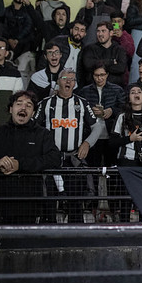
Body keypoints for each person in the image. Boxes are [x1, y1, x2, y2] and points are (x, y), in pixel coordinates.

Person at [0, 90, 62, 224]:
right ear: (11, 109)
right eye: (19, 104)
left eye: (29, 106)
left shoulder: (42, 134)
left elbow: (54, 159)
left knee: (23, 244)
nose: (23, 108)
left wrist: (20, 165)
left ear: (33, 113)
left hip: (29, 205)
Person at [35, 68, 103, 222]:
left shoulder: (82, 103)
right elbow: (33, 127)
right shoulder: (45, 103)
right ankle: (47, 230)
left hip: (74, 157)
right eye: (65, 77)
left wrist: (87, 143)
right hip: (51, 158)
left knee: (75, 199)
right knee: (49, 200)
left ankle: (76, 232)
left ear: (75, 84)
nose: (68, 81)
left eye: (72, 79)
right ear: (58, 81)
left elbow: (97, 126)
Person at [77, 64, 125, 167]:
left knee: (111, 166)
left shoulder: (117, 90)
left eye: (102, 75)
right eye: (96, 75)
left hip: (111, 133)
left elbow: (124, 109)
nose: (99, 78)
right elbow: (79, 111)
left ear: (107, 74)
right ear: (92, 75)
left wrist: (112, 111)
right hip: (91, 134)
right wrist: (90, 112)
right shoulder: (85, 91)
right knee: (92, 166)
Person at [110, 84, 142, 167]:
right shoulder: (121, 116)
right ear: (129, 99)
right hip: (127, 160)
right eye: (132, 92)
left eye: (139, 92)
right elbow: (112, 142)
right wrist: (130, 138)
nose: (136, 94)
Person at [4, 0, 40, 86]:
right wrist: (10, 39)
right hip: (10, 42)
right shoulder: (6, 11)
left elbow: (29, 25)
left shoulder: (27, 10)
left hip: (24, 43)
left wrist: (17, 39)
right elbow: (4, 27)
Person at [80, 21, 128, 86]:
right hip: (93, 88)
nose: (100, 34)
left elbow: (121, 68)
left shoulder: (119, 49)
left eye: (103, 31)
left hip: (115, 89)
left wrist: (97, 65)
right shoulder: (90, 48)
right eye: (98, 31)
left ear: (111, 33)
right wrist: (110, 62)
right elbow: (88, 65)